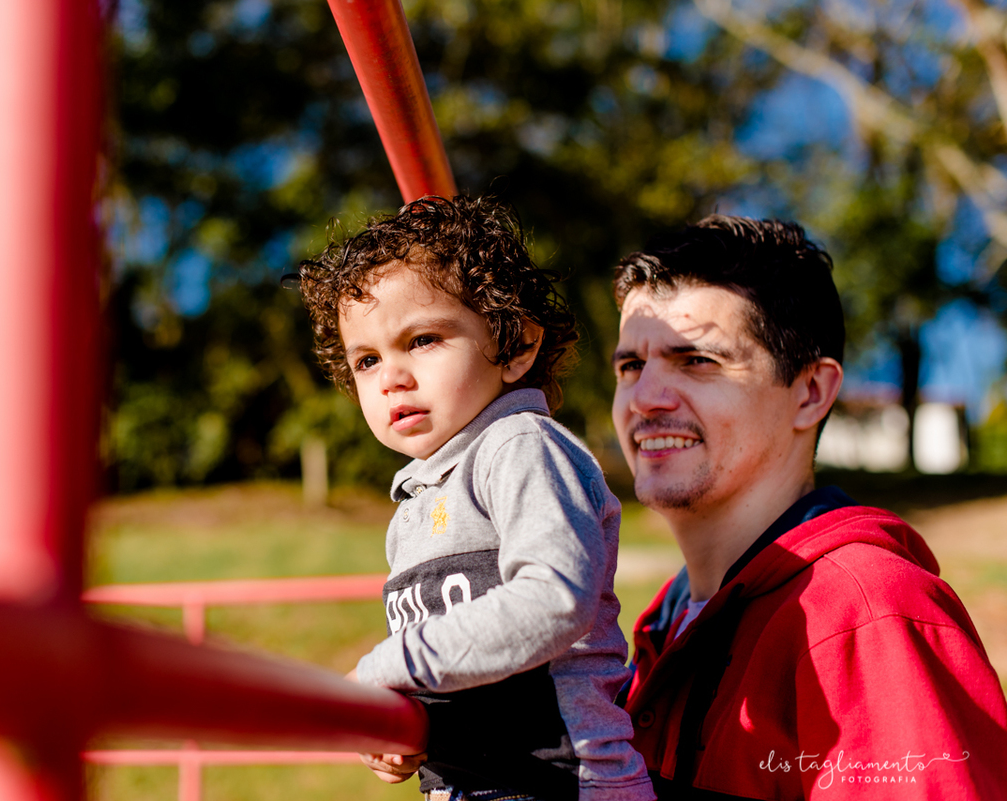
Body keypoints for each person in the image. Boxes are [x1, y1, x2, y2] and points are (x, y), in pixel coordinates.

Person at [609, 214, 1007, 799]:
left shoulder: (866, 612)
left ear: (811, 392)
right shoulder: (669, 625)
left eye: (697, 360)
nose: (644, 397)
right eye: (630, 365)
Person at [295, 195, 655, 801]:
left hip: (558, 781)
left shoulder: (519, 446)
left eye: (424, 339)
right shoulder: (413, 504)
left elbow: (553, 599)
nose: (391, 377)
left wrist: (386, 667)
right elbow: (452, 654)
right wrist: (400, 725)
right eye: (367, 359)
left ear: (515, 347)